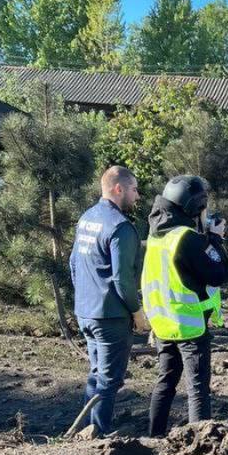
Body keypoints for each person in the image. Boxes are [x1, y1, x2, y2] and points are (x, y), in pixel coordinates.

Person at [142, 175, 228, 436]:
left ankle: (154, 436)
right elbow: (218, 273)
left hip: (163, 324)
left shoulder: (157, 235)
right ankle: (200, 442)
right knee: (197, 387)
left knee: (165, 382)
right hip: (189, 326)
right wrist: (215, 239)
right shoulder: (186, 238)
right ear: (194, 206)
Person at [69, 165, 147, 436]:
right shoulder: (120, 227)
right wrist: (137, 313)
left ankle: (87, 429)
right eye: (135, 189)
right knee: (109, 379)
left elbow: (73, 264)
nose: (137, 196)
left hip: (86, 312)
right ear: (119, 189)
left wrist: (83, 299)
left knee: (96, 373)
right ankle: (98, 435)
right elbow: (122, 279)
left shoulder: (87, 218)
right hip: (110, 316)